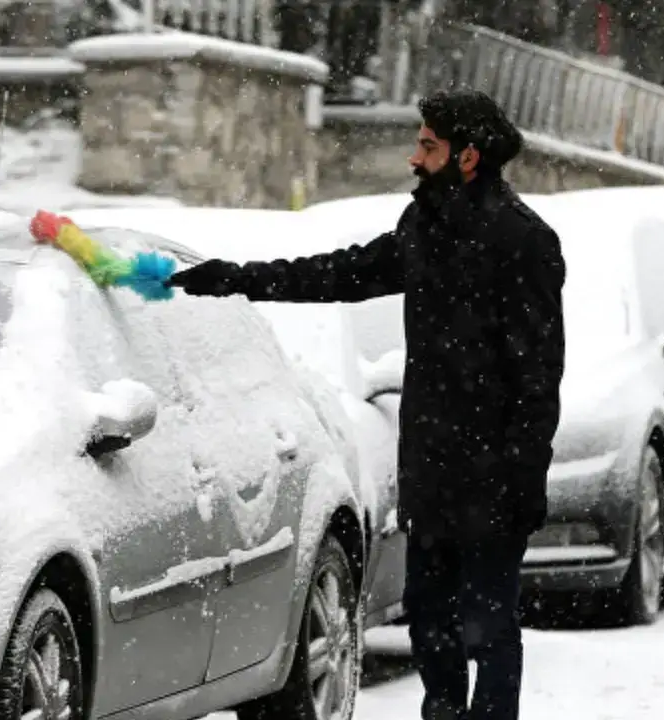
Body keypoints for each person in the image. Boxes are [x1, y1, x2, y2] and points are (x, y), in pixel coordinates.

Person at [168, 89, 566, 720]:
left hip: (493, 478)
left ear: (467, 156)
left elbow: (539, 380)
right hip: (431, 467)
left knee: (488, 628)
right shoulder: (425, 227)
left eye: (427, 146)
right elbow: (339, 274)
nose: (414, 157)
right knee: (430, 624)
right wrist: (238, 278)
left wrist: (520, 481)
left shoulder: (524, 242)